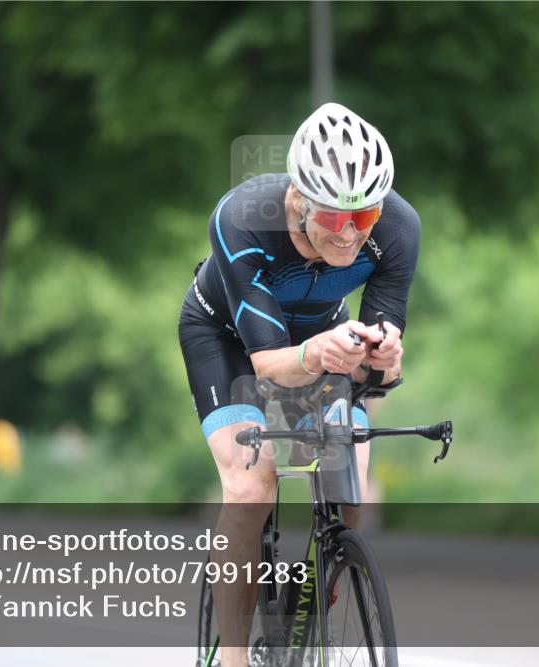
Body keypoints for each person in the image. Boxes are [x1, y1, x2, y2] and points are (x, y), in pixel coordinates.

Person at [178, 102, 421, 667]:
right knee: (250, 489)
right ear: (297, 199)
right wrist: (319, 352)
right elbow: (267, 367)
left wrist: (383, 357)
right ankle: (234, 659)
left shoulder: (398, 227)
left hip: (322, 336)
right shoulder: (243, 218)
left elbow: (384, 374)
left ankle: (312, 606)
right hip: (228, 339)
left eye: (364, 219)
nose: (351, 235)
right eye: (336, 219)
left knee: (350, 487)